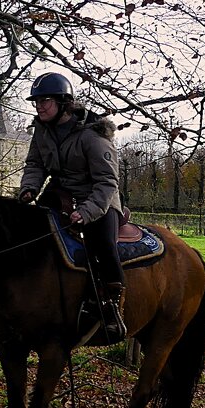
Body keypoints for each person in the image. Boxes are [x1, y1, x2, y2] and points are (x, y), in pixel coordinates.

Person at [18, 72, 127, 340]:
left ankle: (111, 307)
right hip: (60, 194)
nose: (39, 106)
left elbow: (107, 181)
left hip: (99, 199)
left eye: (45, 100)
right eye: (37, 101)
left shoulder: (93, 136)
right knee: (29, 231)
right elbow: (35, 164)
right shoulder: (42, 131)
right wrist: (29, 188)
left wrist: (87, 211)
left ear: (64, 103)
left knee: (103, 245)